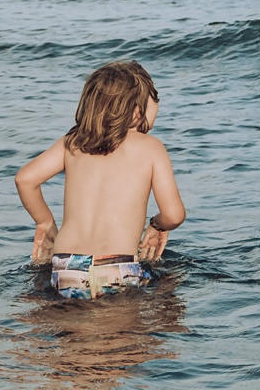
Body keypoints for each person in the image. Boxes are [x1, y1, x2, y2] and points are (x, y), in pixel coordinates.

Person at [15, 60, 185, 300]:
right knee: (129, 330)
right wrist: (157, 225)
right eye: (154, 99)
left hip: (66, 266)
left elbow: (25, 179)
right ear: (137, 111)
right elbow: (174, 215)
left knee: (74, 333)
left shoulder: (73, 142)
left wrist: (44, 222)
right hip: (117, 266)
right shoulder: (151, 148)